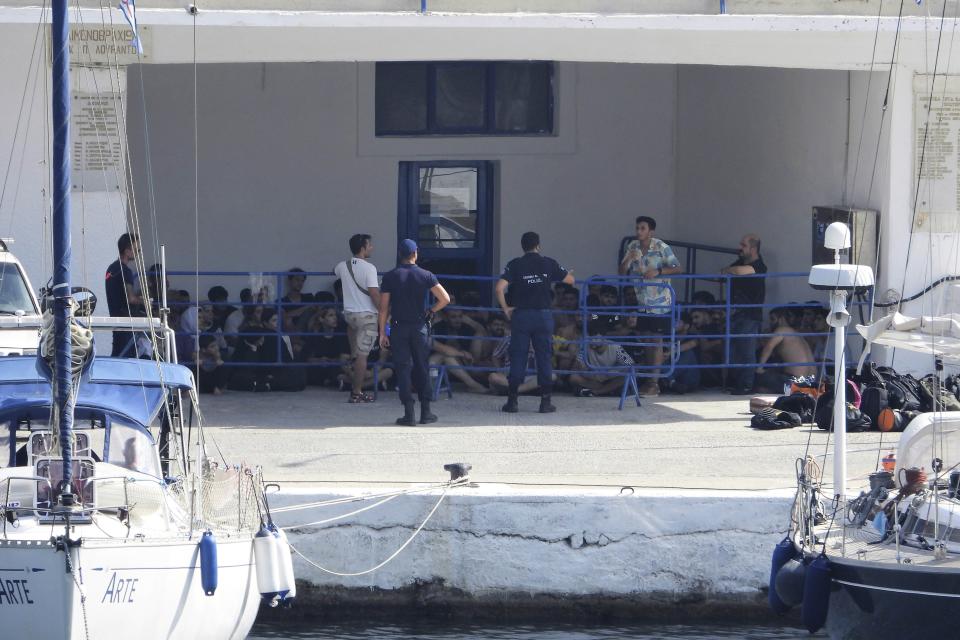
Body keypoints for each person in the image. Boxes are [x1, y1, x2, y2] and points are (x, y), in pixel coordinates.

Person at [495, 231, 575, 414]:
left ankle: (512, 401)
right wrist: (567, 274)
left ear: (523, 247)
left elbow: (499, 288)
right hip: (543, 316)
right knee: (544, 357)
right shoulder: (548, 263)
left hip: (521, 316)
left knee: (518, 357)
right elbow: (570, 280)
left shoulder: (515, 264)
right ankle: (545, 403)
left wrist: (506, 308)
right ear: (538, 245)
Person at [379, 239, 451, 426]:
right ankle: (426, 412)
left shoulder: (390, 277)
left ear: (399, 255)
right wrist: (431, 311)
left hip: (398, 327)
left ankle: (408, 413)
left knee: (403, 368)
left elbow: (383, 308)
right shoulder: (426, 275)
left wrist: (382, 333)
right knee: (422, 367)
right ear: (415, 254)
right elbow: (445, 298)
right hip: (419, 327)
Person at [618, 216, 682, 396]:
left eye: (642, 228)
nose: (638, 231)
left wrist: (659, 271)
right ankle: (650, 382)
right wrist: (628, 260)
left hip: (661, 303)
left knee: (656, 341)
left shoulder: (661, 247)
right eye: (637, 228)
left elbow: (678, 268)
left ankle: (654, 383)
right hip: (642, 303)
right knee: (646, 340)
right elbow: (622, 273)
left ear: (651, 231)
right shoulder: (632, 247)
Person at [335, 234, 382, 404]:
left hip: (349, 316)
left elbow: (335, 270)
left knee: (356, 351)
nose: (372, 248)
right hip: (367, 317)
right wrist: (384, 313)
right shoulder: (370, 269)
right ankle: (356, 392)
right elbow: (375, 294)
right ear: (363, 247)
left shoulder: (343, 265)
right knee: (364, 356)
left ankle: (352, 366)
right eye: (370, 245)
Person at [720, 234, 767, 394]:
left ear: (753, 249)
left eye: (743, 245)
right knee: (733, 350)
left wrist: (732, 271)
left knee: (747, 351)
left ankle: (746, 385)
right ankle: (735, 383)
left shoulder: (760, 265)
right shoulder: (740, 261)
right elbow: (725, 271)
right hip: (735, 313)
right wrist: (732, 270)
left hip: (750, 315)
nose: (740, 247)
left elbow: (739, 271)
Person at [755, 307, 816, 393]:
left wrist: (759, 368)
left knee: (759, 378)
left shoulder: (781, 330)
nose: (770, 323)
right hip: (810, 381)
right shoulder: (796, 333)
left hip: (795, 381)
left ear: (781, 318)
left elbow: (768, 347)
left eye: (773, 319)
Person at [105, 233, 145, 357]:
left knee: (117, 355)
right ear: (127, 251)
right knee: (127, 358)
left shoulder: (111, 268)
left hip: (115, 320)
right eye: (136, 248)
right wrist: (145, 301)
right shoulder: (126, 271)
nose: (138, 251)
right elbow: (130, 298)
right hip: (126, 323)